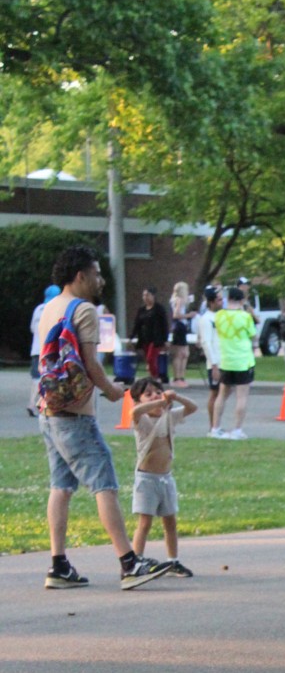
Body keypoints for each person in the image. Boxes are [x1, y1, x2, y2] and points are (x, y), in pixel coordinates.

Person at [37, 246, 172, 591]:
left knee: (61, 486)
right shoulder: (84, 310)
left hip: (49, 410)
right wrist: (112, 391)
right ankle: (129, 562)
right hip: (75, 417)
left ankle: (59, 565)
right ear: (80, 276)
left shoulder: (49, 308)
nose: (101, 280)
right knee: (105, 484)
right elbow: (91, 364)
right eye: (96, 274)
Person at [129, 376, 197, 576]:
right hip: (146, 479)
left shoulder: (169, 417)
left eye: (158, 392)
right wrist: (159, 402)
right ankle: (136, 560)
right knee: (145, 522)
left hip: (166, 478)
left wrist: (176, 397)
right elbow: (134, 412)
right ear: (138, 400)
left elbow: (192, 407)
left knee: (170, 522)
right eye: (148, 394)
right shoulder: (142, 420)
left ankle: (172, 561)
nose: (155, 396)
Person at [214, 286, 257, 439]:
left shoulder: (219, 315)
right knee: (242, 397)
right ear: (242, 300)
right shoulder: (245, 316)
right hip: (243, 360)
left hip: (226, 360)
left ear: (228, 298)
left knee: (222, 394)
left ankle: (215, 427)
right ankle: (237, 429)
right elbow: (253, 336)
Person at [28, 283, 60, 416]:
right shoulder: (54, 309)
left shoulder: (38, 309)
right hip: (47, 349)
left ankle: (36, 403)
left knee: (36, 376)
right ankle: (35, 404)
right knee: (46, 377)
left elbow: (32, 328)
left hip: (35, 349)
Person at [196, 285, 225, 435]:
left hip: (225, 360)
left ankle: (217, 424)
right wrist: (214, 365)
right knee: (215, 393)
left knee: (222, 394)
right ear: (211, 302)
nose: (222, 302)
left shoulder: (222, 316)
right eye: (219, 300)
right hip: (215, 362)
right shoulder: (206, 319)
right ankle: (212, 426)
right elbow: (206, 342)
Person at [130, 287, 169, 380]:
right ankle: (151, 376)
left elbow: (164, 324)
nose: (145, 297)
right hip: (144, 338)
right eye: (144, 295)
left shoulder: (159, 309)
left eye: (147, 295)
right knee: (149, 360)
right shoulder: (141, 310)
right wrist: (132, 336)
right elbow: (137, 324)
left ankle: (155, 377)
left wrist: (165, 339)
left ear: (153, 296)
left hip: (156, 339)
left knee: (150, 358)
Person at [169, 281, 193, 385]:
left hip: (180, 327)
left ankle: (181, 377)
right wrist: (189, 315)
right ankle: (177, 378)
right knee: (179, 354)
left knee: (185, 353)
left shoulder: (175, 300)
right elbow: (176, 315)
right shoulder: (179, 300)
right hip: (179, 326)